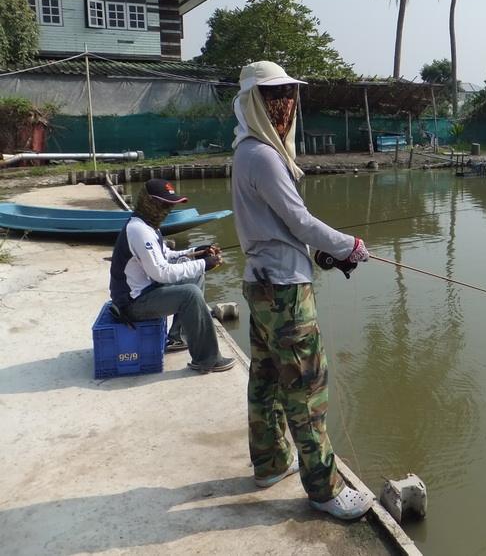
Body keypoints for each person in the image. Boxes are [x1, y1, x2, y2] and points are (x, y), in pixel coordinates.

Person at [231, 60, 373, 520]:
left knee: (268, 379)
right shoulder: (264, 156)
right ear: (254, 104)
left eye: (289, 95)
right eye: (274, 97)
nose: (285, 105)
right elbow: (301, 222)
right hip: (286, 295)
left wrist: (320, 255)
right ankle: (325, 490)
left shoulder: (246, 151)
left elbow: (282, 230)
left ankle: (270, 464)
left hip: (263, 283)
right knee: (308, 389)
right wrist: (349, 245)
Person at [108, 179, 235, 373]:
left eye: (171, 205)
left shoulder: (149, 226)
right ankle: (207, 360)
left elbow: (166, 255)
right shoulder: (139, 230)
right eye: (165, 204)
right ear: (149, 202)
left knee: (195, 277)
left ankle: (178, 338)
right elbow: (161, 273)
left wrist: (196, 252)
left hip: (147, 291)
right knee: (190, 294)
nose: (168, 209)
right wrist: (203, 264)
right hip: (132, 304)